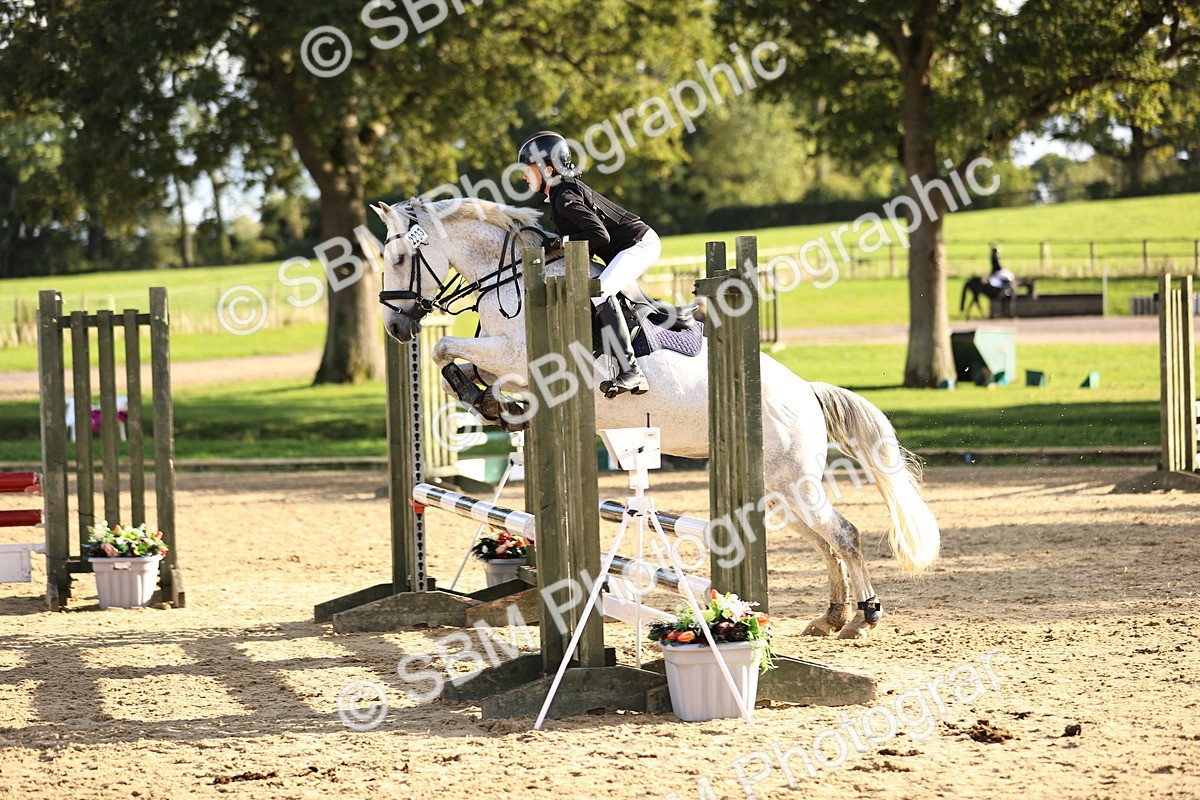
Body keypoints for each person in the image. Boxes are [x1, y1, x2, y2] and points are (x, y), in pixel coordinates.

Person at [518, 130, 658, 397]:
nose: (524, 176)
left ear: (548, 170)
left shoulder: (564, 195)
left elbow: (598, 236)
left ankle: (631, 371)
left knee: (600, 290)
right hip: (626, 247)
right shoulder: (559, 195)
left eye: (528, 169)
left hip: (640, 244)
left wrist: (559, 244)